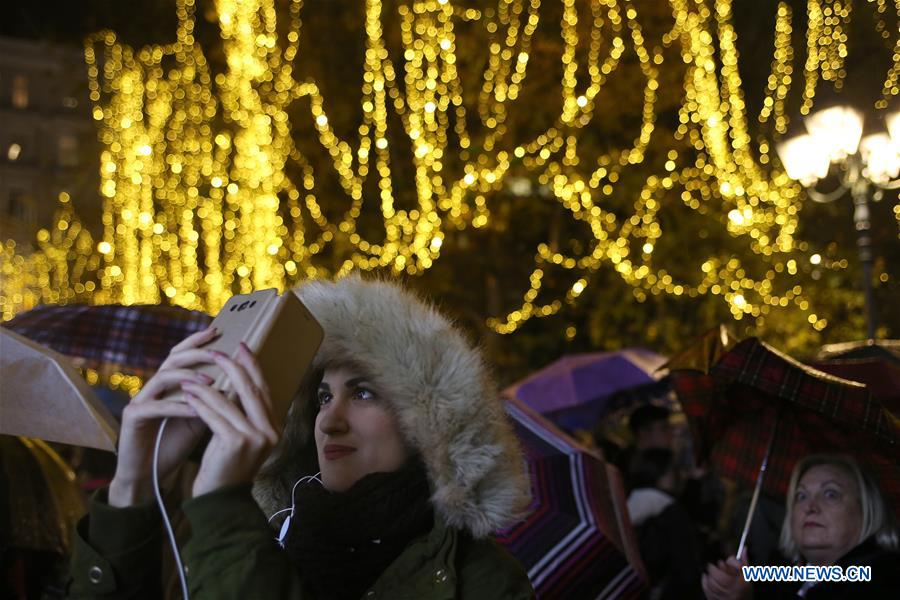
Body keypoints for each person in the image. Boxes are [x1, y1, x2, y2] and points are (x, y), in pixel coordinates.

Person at [68, 275, 535, 599]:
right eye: (322, 397)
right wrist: (132, 488)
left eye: (364, 393)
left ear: (430, 424)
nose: (330, 421)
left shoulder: (481, 580)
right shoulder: (262, 540)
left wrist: (222, 511)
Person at [702, 453, 900, 600]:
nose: (810, 507)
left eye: (831, 494)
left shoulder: (883, 576)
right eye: (801, 496)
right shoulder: (789, 571)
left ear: (867, 508)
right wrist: (729, 584)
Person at [627, 448, 704, 600]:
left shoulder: (628, 505)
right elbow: (686, 568)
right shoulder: (669, 511)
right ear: (661, 474)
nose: (679, 475)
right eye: (674, 470)